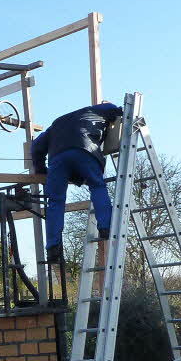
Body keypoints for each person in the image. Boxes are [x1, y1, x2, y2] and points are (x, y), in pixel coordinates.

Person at [31, 100, 124, 264]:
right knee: (97, 186)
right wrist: (118, 111)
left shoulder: (57, 124)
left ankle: (53, 248)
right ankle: (106, 227)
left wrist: (40, 169)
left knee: (55, 202)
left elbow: (37, 146)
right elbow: (113, 109)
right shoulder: (97, 110)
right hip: (84, 151)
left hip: (58, 159)